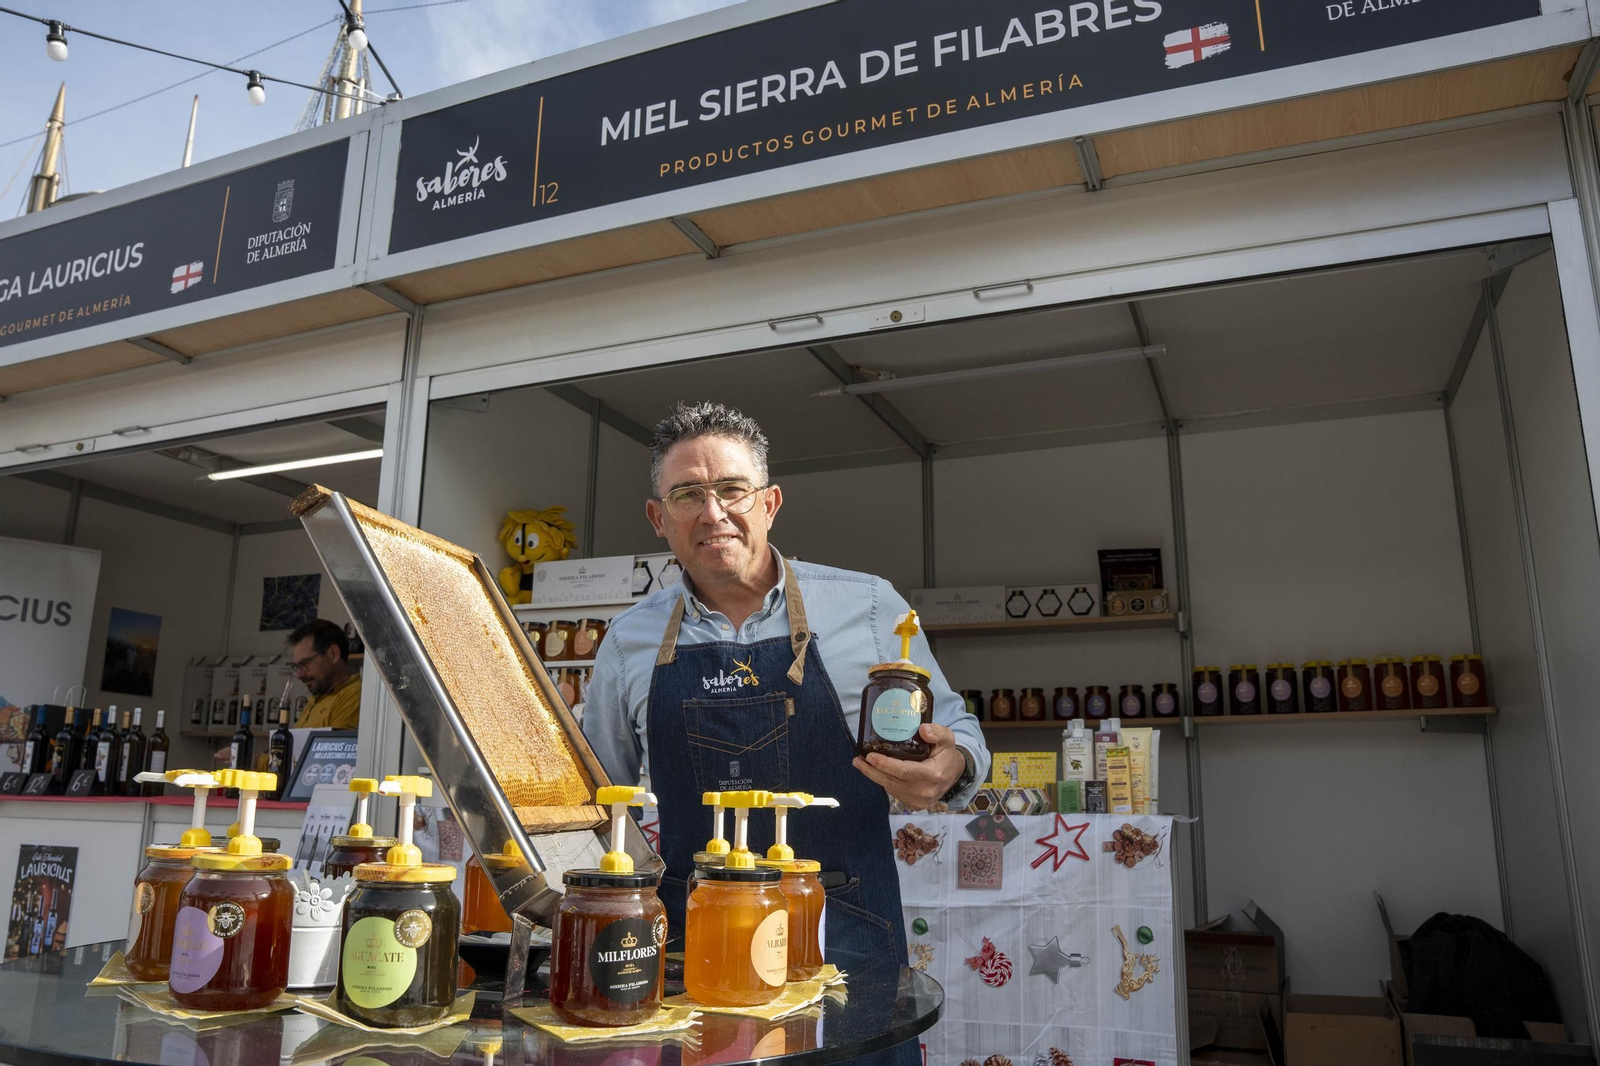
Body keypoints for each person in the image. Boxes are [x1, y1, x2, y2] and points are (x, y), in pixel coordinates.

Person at [584, 402, 989, 1063]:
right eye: (687, 495)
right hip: (694, 945)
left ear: (769, 503)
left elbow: (958, 729)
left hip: (847, 933)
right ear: (659, 517)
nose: (713, 512)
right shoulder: (628, 640)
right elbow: (599, 800)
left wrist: (954, 764)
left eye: (732, 489)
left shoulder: (870, 607)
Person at [288, 619, 362, 730]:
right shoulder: (316, 697)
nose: (299, 675)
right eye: (297, 666)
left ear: (333, 654)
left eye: (305, 663)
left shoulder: (355, 694)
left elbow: (335, 741)